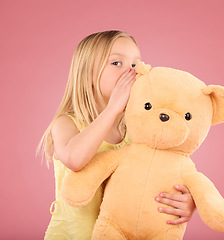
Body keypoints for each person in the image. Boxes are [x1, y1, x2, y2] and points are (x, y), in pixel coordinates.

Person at [36, 30, 196, 240]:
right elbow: (74, 160)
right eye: (116, 63)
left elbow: (163, 172)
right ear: (87, 74)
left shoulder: (136, 129)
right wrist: (112, 110)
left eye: (134, 64)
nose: (130, 72)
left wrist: (187, 201)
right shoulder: (66, 123)